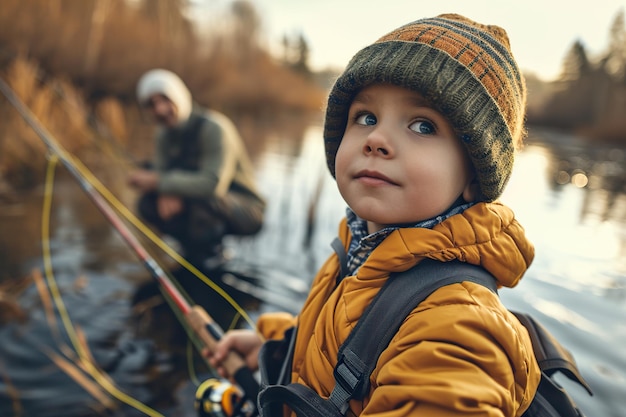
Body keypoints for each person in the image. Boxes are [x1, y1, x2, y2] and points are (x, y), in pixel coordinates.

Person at [208, 14, 541, 416]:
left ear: (473, 176)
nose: (377, 139)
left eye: (422, 126)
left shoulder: (458, 335)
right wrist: (277, 347)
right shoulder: (356, 249)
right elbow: (340, 340)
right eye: (366, 118)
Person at [128, 69, 265, 264]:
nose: (159, 110)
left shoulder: (215, 128)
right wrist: (161, 188)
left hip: (246, 210)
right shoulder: (163, 134)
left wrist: (160, 183)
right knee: (147, 203)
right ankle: (191, 251)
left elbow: (212, 184)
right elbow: (161, 172)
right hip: (199, 200)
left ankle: (212, 257)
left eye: (165, 100)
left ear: (179, 97)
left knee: (203, 201)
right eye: (151, 104)